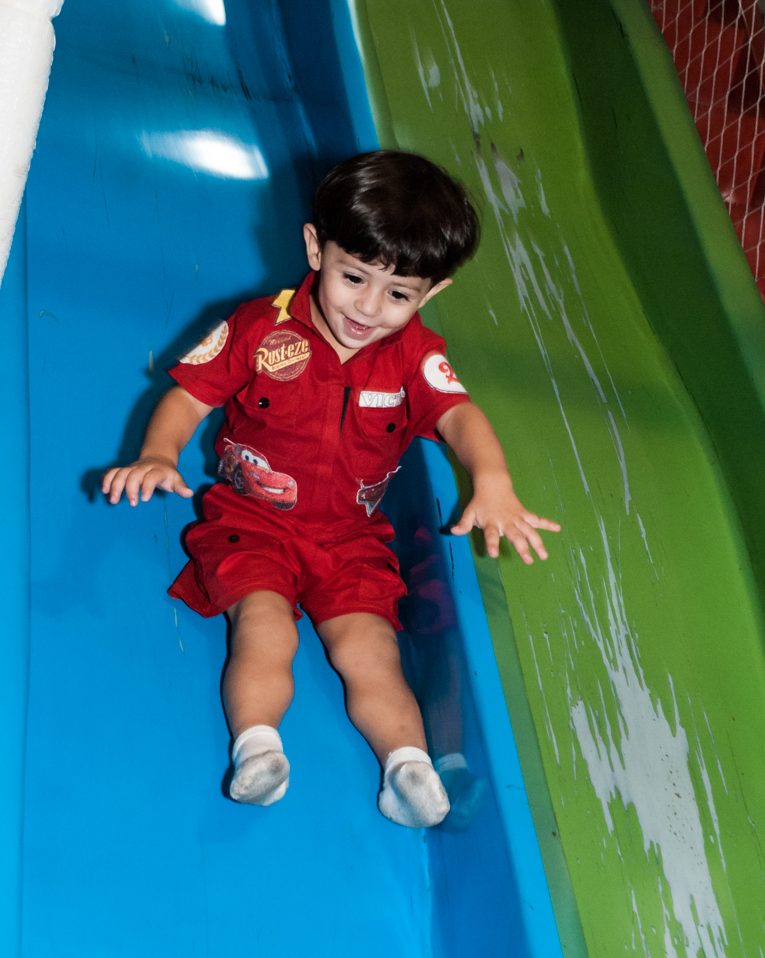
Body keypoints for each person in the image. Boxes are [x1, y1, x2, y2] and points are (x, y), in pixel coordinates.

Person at [102, 150, 560, 828]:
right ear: (317, 248)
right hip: (253, 521)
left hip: (350, 538)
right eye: (354, 278)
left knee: (370, 651)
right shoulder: (259, 329)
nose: (368, 308)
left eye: (398, 294)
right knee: (264, 629)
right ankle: (258, 749)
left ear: (431, 293)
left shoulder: (414, 357)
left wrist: (491, 481)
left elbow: (458, 415)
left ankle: (406, 768)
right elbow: (189, 396)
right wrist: (156, 453)